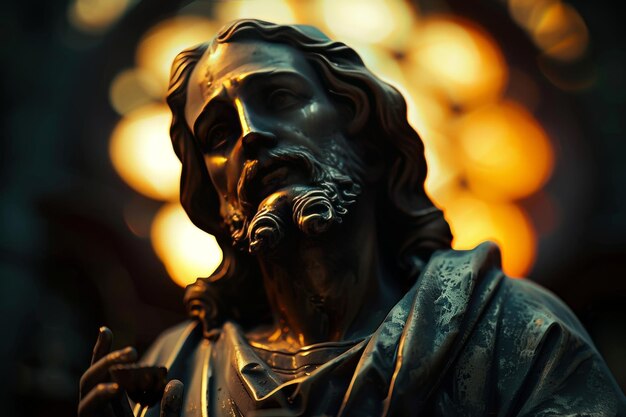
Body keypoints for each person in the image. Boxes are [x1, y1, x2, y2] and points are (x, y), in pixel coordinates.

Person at [78, 19, 626, 417]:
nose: (250, 133)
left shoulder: (515, 336)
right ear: (215, 198)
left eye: (281, 98)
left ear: (363, 134)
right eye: (218, 134)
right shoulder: (180, 368)